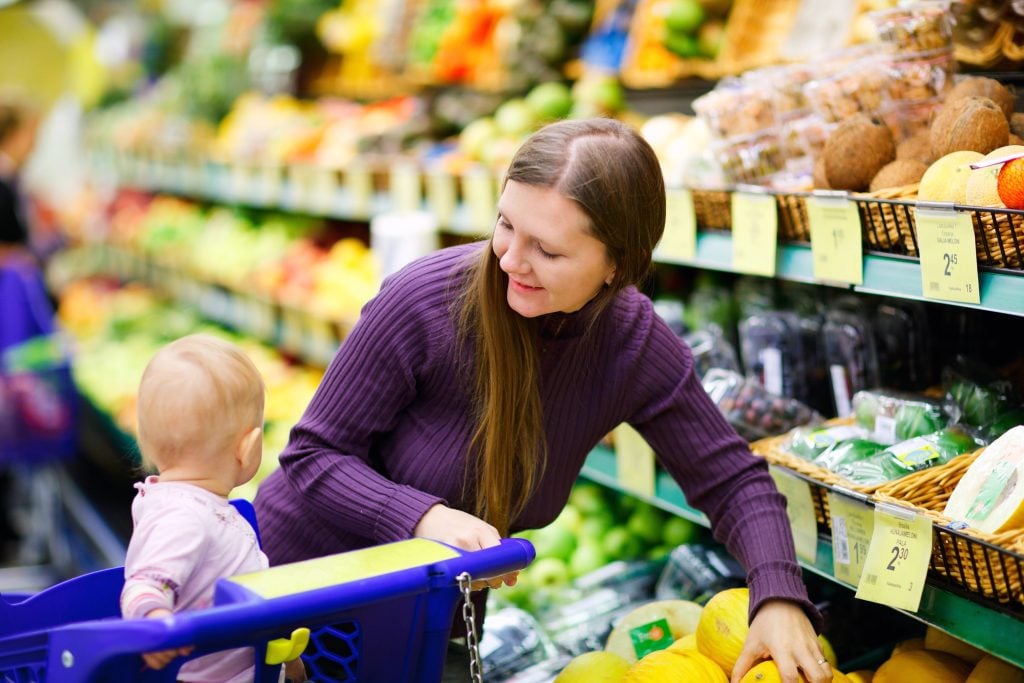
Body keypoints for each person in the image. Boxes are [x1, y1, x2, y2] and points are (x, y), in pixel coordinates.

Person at [254, 118, 830, 683]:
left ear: (616, 267)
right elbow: (313, 455)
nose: (508, 260)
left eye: (547, 251)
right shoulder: (425, 301)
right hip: (297, 606)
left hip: (421, 629)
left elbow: (732, 479)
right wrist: (421, 517)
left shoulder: (633, 346)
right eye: (506, 225)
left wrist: (777, 594)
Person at [121, 334, 306, 682]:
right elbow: (144, 582)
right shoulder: (182, 517)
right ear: (249, 448)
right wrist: (153, 620)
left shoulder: (199, 507)